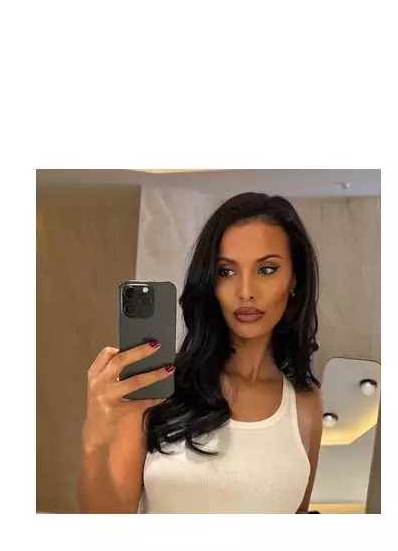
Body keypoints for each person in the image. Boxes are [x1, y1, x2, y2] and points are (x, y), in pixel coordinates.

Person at [78, 192, 323, 513]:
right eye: (227, 271)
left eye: (266, 269)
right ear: (209, 282)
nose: (246, 291)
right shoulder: (156, 387)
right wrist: (94, 440)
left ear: (294, 280)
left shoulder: (305, 404)